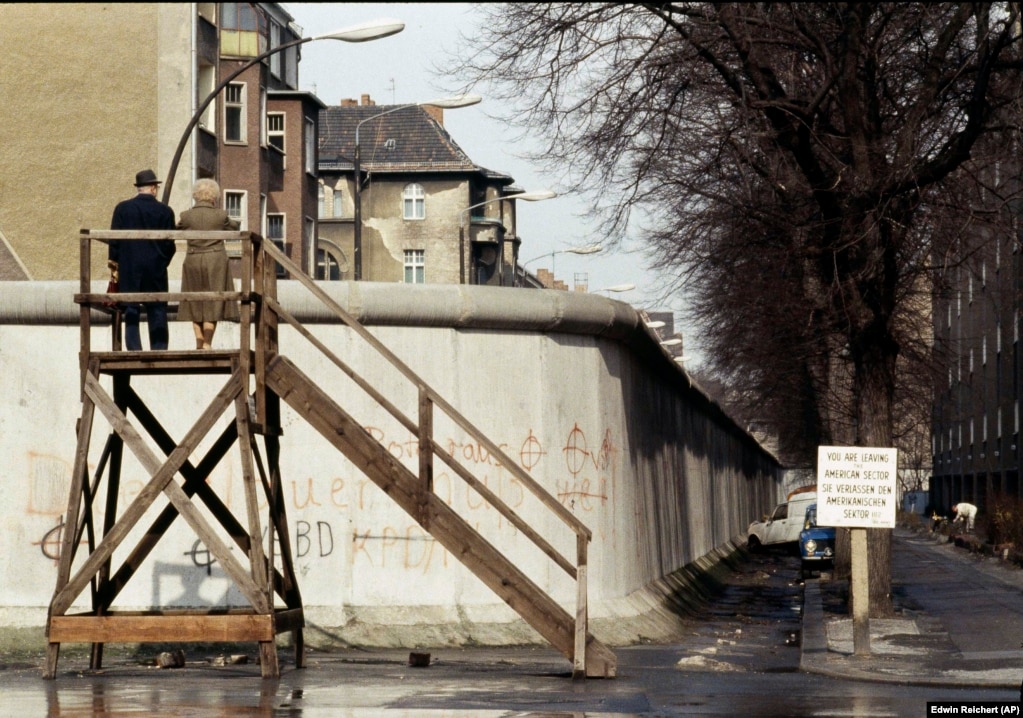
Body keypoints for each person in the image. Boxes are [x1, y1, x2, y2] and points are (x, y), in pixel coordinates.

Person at [109, 169, 176, 350]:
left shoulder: (122, 209)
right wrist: (162, 261)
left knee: (130, 306)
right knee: (157, 306)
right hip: (156, 266)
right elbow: (170, 245)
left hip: (130, 265)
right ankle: (159, 347)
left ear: (139, 187)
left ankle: (134, 347)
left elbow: (113, 241)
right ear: (153, 188)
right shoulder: (165, 211)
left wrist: (115, 264)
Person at [176, 179, 240, 349]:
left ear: (196, 195)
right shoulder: (221, 215)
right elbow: (235, 227)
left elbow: (177, 229)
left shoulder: (186, 216)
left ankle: (198, 340)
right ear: (214, 196)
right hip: (216, 260)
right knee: (215, 301)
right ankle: (208, 342)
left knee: (194, 299)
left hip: (193, 259)